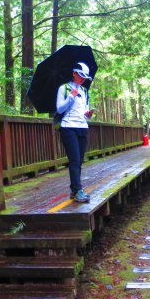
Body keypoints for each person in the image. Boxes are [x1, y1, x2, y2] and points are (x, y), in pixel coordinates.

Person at [56, 62, 95, 203]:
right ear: (74, 73)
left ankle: (73, 190)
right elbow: (60, 109)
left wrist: (88, 115)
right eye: (81, 76)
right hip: (68, 127)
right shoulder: (64, 88)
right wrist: (70, 97)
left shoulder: (84, 91)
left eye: (85, 77)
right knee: (74, 160)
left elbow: (84, 112)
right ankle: (79, 191)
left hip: (82, 127)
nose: (83, 79)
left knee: (79, 161)